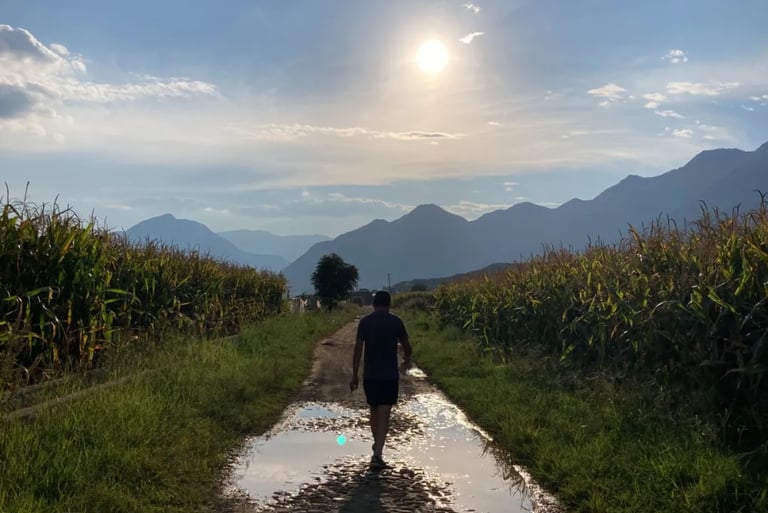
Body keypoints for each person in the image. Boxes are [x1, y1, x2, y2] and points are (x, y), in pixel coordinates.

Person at [350, 290, 412, 470]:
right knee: (384, 414)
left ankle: (377, 446)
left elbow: (357, 349)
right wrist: (406, 358)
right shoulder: (397, 322)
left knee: (374, 411)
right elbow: (407, 346)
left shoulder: (365, 322)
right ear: (389, 304)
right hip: (389, 375)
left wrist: (354, 374)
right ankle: (377, 454)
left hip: (370, 375)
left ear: (374, 304)